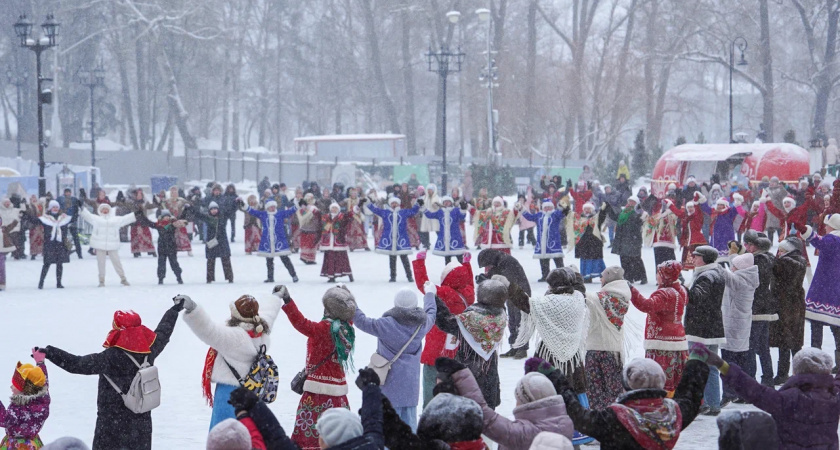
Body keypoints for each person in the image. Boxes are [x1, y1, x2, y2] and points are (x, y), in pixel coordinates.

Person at [36, 304, 181, 450]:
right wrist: (174, 310)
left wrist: (50, 352)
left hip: (111, 426)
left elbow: (77, 364)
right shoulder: (149, 350)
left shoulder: (110, 358)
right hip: (141, 423)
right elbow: (163, 332)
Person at [544, 352, 709, 450]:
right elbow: (690, 398)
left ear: (626, 386)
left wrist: (556, 377)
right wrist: (696, 362)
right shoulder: (672, 415)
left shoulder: (614, 419)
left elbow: (578, 415)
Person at [695, 344, 840, 450]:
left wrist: (722, 365)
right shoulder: (834, 397)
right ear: (827, 371)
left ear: (796, 371)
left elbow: (755, 392)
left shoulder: (789, 399)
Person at [179, 291, 281, 430]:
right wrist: (276, 297)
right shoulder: (260, 329)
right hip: (251, 390)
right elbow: (269, 312)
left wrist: (192, 309)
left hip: (229, 392)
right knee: (245, 432)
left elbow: (208, 329)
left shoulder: (233, 337)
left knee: (223, 433)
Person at [507, 267, 590, 432]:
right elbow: (580, 288)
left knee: (545, 391)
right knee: (573, 390)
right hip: (573, 359)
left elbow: (524, 302)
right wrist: (574, 276)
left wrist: (508, 285)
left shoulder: (546, 304)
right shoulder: (578, 299)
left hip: (548, 357)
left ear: (553, 285)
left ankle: (546, 426)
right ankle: (576, 429)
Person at [279, 285, 356, 449]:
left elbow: (301, 323)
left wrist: (287, 300)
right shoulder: (347, 329)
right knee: (338, 434)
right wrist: (346, 297)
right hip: (339, 394)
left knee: (309, 436)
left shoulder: (323, 329)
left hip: (316, 393)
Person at [353, 286, 436, 430]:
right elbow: (432, 313)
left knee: (388, 429)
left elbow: (362, 321)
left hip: (388, 385)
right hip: (410, 387)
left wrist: (350, 301)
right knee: (408, 429)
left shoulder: (385, 324)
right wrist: (429, 294)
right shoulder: (421, 325)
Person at [445, 357, 575, 447]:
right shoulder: (565, 423)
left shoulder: (526, 433)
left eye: (518, 399)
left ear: (527, 402)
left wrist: (461, 374)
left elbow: (487, 419)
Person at [434, 277, 508, 410]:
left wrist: (435, 300)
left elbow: (445, 322)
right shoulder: (501, 315)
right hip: (489, 377)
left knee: (467, 415)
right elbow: (495, 299)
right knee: (488, 416)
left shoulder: (469, 319)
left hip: (468, 373)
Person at [412, 252, 474, 407]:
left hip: (436, 347)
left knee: (430, 383)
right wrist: (467, 264)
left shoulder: (443, 293)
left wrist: (419, 262)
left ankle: (429, 411)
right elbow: (470, 282)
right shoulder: (469, 294)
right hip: (457, 347)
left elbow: (423, 285)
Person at [628, 260, 689, 393]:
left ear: (665, 276)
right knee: (676, 377)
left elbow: (646, 305)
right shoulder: (681, 290)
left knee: (659, 378)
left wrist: (632, 290)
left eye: (659, 273)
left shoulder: (664, 294)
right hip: (678, 339)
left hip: (661, 341)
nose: (657, 276)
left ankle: (662, 403)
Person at [684, 245, 727, 415]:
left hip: (700, 328)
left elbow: (696, 297)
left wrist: (682, 288)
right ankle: (712, 403)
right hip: (713, 327)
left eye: (696, 256)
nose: (693, 258)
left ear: (705, 258)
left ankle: (703, 403)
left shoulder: (706, 277)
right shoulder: (716, 273)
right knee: (711, 367)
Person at [584, 266, 631, 410]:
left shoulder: (603, 299)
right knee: (613, 391)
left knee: (595, 392)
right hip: (613, 352)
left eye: (603, 276)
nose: (600, 279)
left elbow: (585, 297)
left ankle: (599, 421)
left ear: (609, 279)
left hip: (596, 350)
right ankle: (613, 420)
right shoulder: (622, 298)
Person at [719, 253, 759, 405]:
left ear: (741, 268)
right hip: (740, 325)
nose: (732, 268)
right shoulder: (748, 278)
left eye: (734, 266)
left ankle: (729, 393)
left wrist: (713, 263)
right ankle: (742, 393)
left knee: (728, 362)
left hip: (733, 326)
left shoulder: (741, 281)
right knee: (740, 362)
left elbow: (727, 276)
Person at [801, 216, 840, 372]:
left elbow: (818, 241)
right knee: (837, 329)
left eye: (827, 225)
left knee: (816, 329)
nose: (826, 228)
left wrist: (806, 231)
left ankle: (816, 363)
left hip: (823, 290)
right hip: (837, 290)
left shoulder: (832, 240)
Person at [477, 249, 532, 359]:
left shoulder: (507, 262)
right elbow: (496, 276)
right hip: (510, 294)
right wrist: (484, 278)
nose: (488, 267)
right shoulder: (498, 262)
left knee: (520, 321)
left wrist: (490, 279)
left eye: (488, 264)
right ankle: (514, 346)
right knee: (512, 321)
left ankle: (522, 348)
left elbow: (506, 279)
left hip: (519, 293)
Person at [742, 230, 779, 386]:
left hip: (756, 307)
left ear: (754, 245)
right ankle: (768, 378)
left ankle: (752, 381)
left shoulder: (757, 261)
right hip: (766, 306)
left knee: (751, 347)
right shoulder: (770, 258)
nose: (746, 247)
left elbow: (749, 281)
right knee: (763, 347)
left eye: (747, 244)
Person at [239, 198, 298, 283]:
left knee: (285, 259)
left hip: (279, 241)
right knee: (269, 261)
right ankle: (270, 277)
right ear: (267, 207)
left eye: (274, 206)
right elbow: (252, 211)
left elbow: (290, 211)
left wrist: (298, 205)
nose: (272, 208)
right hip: (268, 242)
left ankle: (294, 275)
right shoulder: (263, 214)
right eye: (271, 207)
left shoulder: (280, 214)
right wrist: (244, 205)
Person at [80, 203, 137, 287]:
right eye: (103, 209)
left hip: (112, 244)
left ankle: (123, 278)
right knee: (101, 263)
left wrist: (135, 214)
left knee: (117, 262)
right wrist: (82, 208)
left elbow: (125, 219)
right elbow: (88, 216)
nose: (105, 210)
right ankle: (101, 280)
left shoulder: (115, 220)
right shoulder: (96, 219)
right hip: (99, 244)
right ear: (100, 211)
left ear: (109, 210)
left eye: (106, 209)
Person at [0, 354, 50, 449]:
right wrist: (40, 363)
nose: (11, 387)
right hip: (33, 443)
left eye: (15, 385)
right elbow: (43, 381)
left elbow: (4, 420)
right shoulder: (42, 398)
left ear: (24, 390)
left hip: (17, 446)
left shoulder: (19, 410)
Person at [367, 196, 420, 282]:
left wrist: (418, 204)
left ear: (398, 204)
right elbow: (375, 210)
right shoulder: (386, 213)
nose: (394, 205)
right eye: (392, 203)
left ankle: (409, 276)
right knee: (392, 260)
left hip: (401, 240)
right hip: (390, 240)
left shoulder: (403, 212)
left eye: (396, 203)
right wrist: (367, 203)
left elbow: (413, 211)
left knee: (404, 259)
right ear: (390, 204)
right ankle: (393, 276)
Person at [24, 201, 71, 290]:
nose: (55, 209)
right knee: (47, 264)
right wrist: (27, 213)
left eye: (57, 207)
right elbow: (34, 220)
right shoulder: (45, 218)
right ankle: (41, 282)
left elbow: (73, 218)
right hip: (49, 244)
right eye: (53, 207)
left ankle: (59, 283)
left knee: (59, 264)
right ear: (50, 208)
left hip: (60, 244)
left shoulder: (63, 218)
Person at [184, 202, 234, 283]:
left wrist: (236, 202)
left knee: (226, 259)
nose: (214, 211)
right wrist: (190, 207)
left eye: (215, 209)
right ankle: (209, 278)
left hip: (222, 241)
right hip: (211, 241)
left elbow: (231, 210)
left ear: (218, 209)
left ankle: (230, 277)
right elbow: (198, 214)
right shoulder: (207, 217)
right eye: (212, 209)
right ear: (209, 210)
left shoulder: (223, 217)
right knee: (210, 260)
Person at [134, 210, 187, 285]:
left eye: (168, 217)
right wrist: (141, 214)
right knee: (161, 264)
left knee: (174, 263)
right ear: (162, 217)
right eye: (165, 217)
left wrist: (186, 209)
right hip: (162, 247)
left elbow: (182, 219)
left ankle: (179, 277)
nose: (166, 218)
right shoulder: (158, 225)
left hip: (171, 246)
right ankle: (161, 278)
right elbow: (148, 222)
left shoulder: (173, 224)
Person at [522, 199, 567, 282]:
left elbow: (564, 213)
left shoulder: (555, 214)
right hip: (542, 243)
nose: (547, 209)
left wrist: (563, 207)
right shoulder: (539, 215)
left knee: (558, 260)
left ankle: (562, 276)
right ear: (543, 208)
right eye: (546, 207)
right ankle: (545, 275)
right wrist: (522, 209)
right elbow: (529, 217)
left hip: (554, 242)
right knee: (543, 261)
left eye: (549, 207)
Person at [608, 195, 647, 284]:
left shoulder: (638, 213)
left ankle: (642, 277)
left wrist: (638, 219)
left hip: (634, 240)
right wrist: (608, 209)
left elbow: (639, 224)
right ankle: (628, 277)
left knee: (636, 259)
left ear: (636, 203)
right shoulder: (623, 213)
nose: (630, 203)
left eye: (633, 202)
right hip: (623, 240)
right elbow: (615, 217)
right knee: (624, 259)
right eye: (629, 201)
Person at [572, 202, 610, 283]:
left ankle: (603, 276)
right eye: (585, 209)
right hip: (583, 242)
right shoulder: (579, 219)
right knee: (585, 259)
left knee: (596, 259)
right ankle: (586, 276)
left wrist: (603, 210)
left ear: (592, 210)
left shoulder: (596, 218)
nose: (587, 210)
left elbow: (602, 216)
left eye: (589, 209)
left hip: (594, 242)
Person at [423, 196, 467, 263]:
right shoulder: (440, 212)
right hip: (445, 239)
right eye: (445, 202)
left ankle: (463, 272)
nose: (446, 203)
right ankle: (448, 272)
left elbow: (462, 216)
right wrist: (423, 207)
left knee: (460, 259)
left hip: (455, 237)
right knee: (447, 260)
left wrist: (463, 209)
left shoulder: (456, 210)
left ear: (451, 203)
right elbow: (430, 215)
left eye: (448, 201)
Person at [670, 192, 708, 270]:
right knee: (692, 264)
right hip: (688, 243)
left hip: (697, 241)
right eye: (688, 207)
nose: (690, 209)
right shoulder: (686, 217)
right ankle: (694, 279)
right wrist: (670, 205)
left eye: (691, 207)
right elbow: (677, 212)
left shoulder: (697, 216)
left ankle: (697, 278)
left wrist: (696, 200)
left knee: (698, 262)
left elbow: (697, 209)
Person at [319, 202, 355, 283]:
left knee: (342, 259)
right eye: (332, 208)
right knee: (330, 259)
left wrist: (355, 209)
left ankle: (348, 274)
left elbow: (349, 216)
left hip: (339, 241)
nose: (334, 210)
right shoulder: (326, 217)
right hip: (329, 242)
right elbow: (324, 227)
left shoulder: (341, 217)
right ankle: (331, 276)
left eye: (335, 208)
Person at [700, 197, 739, 262]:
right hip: (716, 238)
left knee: (728, 258)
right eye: (718, 205)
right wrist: (702, 200)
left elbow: (736, 209)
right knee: (716, 259)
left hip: (727, 237)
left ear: (725, 205)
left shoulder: (729, 212)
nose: (719, 206)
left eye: (721, 205)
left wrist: (737, 202)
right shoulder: (714, 212)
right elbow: (706, 208)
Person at [161, 186, 192, 256]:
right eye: (172, 192)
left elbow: (188, 206)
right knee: (173, 236)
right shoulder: (167, 201)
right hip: (172, 220)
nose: (174, 193)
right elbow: (164, 209)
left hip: (180, 219)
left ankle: (188, 249)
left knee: (183, 235)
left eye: (175, 192)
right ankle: (174, 249)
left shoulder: (182, 200)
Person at [128, 189, 157, 258]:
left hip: (143, 221)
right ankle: (136, 251)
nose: (139, 196)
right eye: (138, 195)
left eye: (141, 195)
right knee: (135, 237)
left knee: (147, 236)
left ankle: (150, 250)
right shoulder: (132, 203)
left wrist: (155, 201)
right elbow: (130, 209)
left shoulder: (145, 203)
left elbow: (151, 206)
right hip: (135, 222)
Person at [56, 189, 83, 260]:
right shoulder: (60, 199)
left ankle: (79, 253)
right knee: (63, 237)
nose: (67, 194)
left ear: (70, 193)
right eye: (66, 192)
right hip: (63, 220)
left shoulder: (74, 199)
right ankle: (64, 252)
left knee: (75, 238)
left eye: (68, 192)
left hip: (72, 220)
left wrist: (82, 195)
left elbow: (81, 204)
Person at [296, 193, 321, 265]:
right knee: (311, 244)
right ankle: (309, 259)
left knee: (306, 243)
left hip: (305, 228)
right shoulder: (313, 208)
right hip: (312, 229)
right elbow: (318, 217)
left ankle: (304, 257)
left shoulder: (303, 208)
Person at [418, 183, 440, 250]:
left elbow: (437, 204)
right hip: (426, 215)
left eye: (431, 190)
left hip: (435, 215)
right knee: (425, 230)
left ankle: (441, 242)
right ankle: (426, 243)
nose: (429, 191)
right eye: (428, 190)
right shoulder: (425, 197)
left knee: (438, 229)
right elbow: (422, 205)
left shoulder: (436, 197)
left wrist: (435, 205)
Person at [26, 196, 44, 261]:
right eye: (32, 199)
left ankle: (42, 252)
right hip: (33, 225)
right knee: (33, 239)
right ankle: (33, 253)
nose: (34, 200)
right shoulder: (29, 207)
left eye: (35, 199)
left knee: (41, 239)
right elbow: (28, 215)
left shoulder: (40, 206)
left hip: (40, 225)